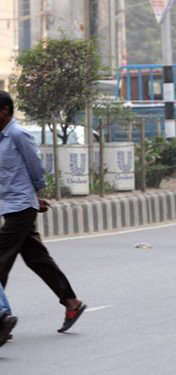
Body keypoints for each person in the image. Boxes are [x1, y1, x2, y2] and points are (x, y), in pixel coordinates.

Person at [0, 91, 86, 333]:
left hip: (22, 206)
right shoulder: (1, 137)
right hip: (12, 205)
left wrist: (36, 195)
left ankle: (1, 318)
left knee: (1, 259)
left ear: (5, 110)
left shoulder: (18, 134)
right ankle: (71, 302)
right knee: (37, 258)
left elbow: (34, 166)